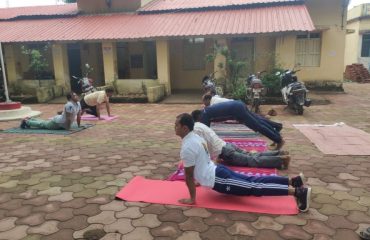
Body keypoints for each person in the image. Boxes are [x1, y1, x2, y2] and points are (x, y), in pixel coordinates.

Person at [175, 113, 311, 212]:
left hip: (218, 179)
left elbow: (188, 176)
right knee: (254, 180)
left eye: (177, 125)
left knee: (254, 187)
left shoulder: (187, 146)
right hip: (218, 171)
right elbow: (203, 160)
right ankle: (293, 181)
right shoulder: (196, 137)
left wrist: (192, 198)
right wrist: (200, 177)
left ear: (185, 128)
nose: (174, 127)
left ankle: (298, 192)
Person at [191, 111, 290, 169]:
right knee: (251, 155)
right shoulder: (202, 126)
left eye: (178, 126)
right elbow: (212, 143)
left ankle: (281, 159)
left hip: (226, 153)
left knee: (252, 160)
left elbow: (203, 148)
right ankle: (280, 154)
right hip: (227, 146)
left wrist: (210, 162)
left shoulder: (196, 129)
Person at [193, 100, 284, 149]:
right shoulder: (205, 111)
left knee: (258, 126)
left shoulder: (204, 116)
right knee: (259, 122)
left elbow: (206, 133)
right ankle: (277, 136)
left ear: (197, 118)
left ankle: (279, 140)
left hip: (236, 110)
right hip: (238, 104)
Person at [202, 94, 282, 133]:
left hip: (237, 108)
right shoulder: (215, 98)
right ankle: (276, 126)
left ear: (207, 99)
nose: (204, 104)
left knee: (258, 121)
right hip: (238, 105)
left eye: (204, 101)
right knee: (258, 118)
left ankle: (276, 127)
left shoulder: (213, 103)